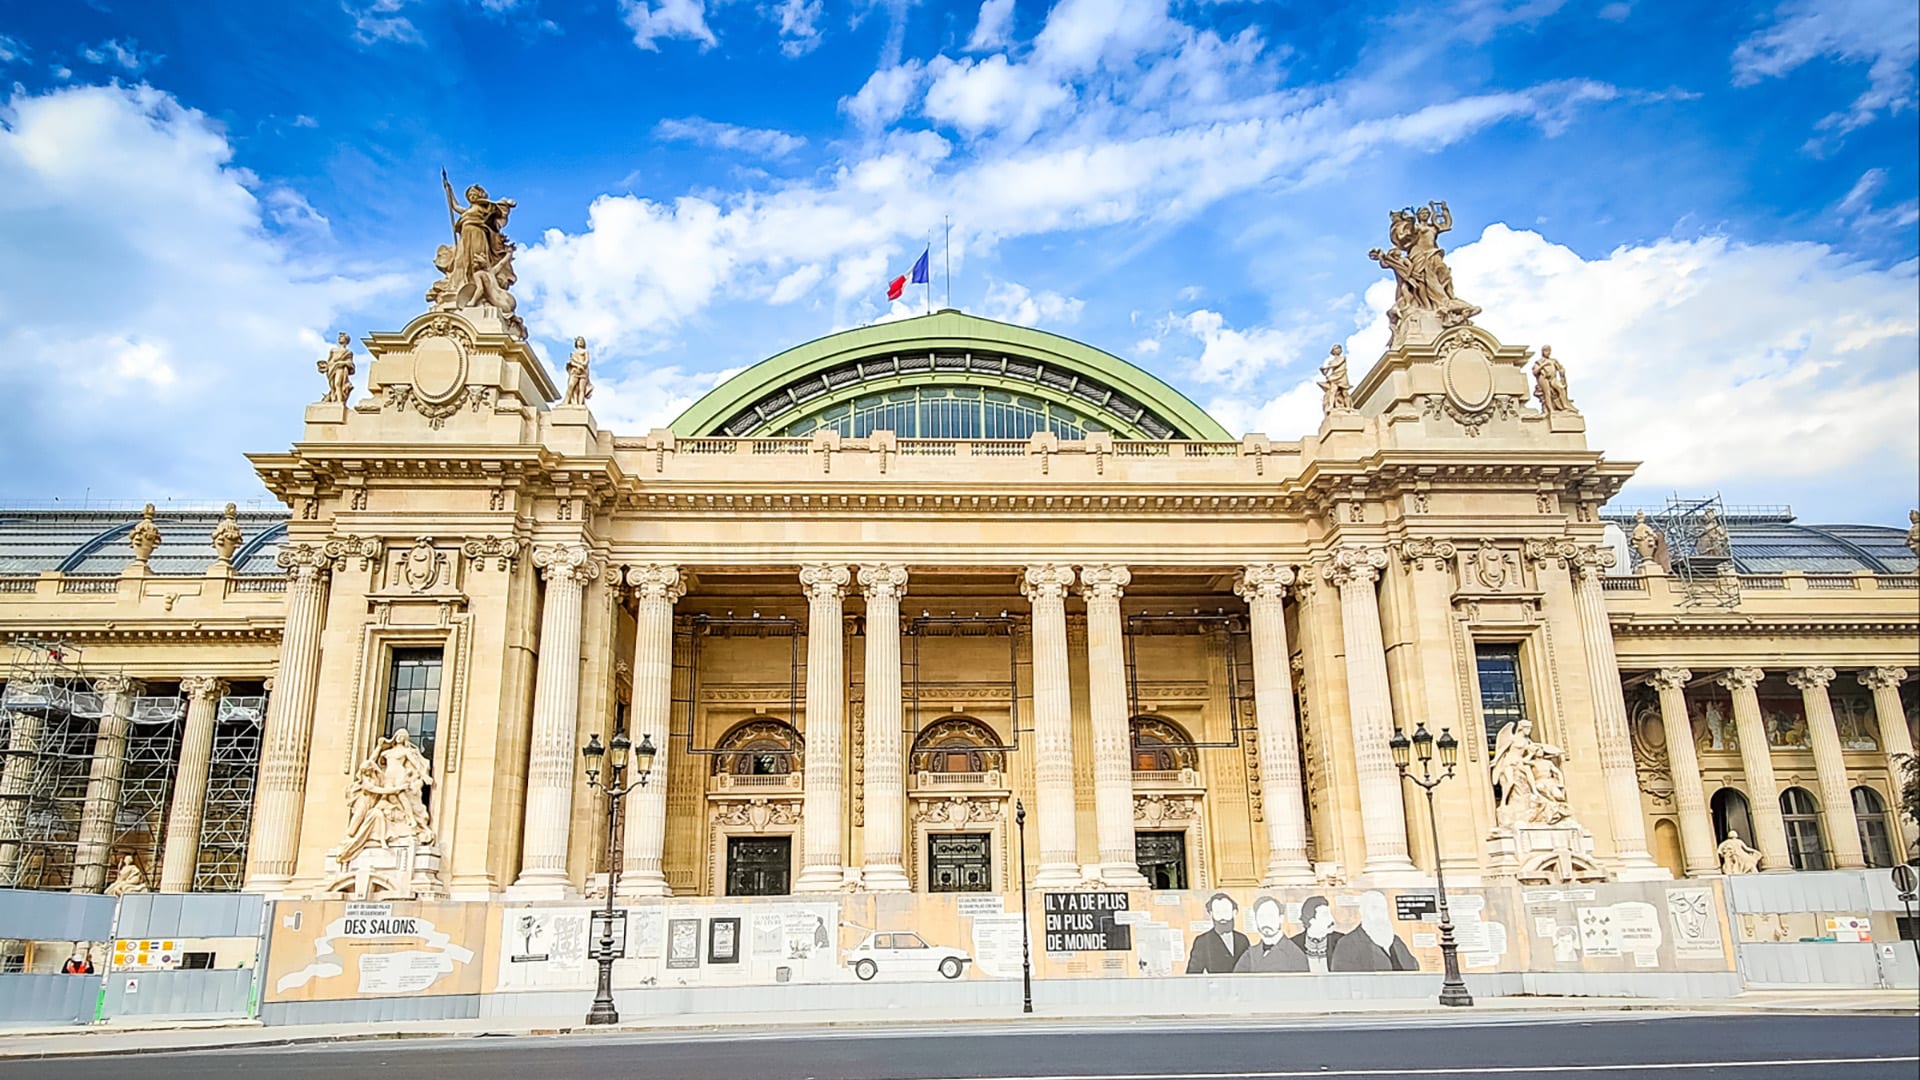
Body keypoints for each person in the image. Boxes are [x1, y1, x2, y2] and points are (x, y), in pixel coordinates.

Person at [1329, 891, 1418, 972]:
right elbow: (1345, 982)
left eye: (1383, 909)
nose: (1380, 914)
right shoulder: (1348, 944)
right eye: (1374, 908)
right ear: (1363, 911)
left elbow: (1413, 968)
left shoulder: (1396, 941)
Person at [1234, 896, 1308, 973]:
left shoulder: (1295, 954)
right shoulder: (1250, 954)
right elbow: (1236, 981)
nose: (1266, 921)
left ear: (1281, 918)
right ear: (1255, 919)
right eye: (1261, 916)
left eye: (1270, 916)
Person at [1185, 892, 1250, 974]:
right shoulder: (1203, 941)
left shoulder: (1242, 939)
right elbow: (1193, 974)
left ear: (1234, 912)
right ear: (1211, 913)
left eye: (1225, 911)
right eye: (1218, 912)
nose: (1222, 917)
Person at [1290, 895, 1343, 974]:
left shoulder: (1341, 941)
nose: (1332, 920)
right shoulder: (1293, 945)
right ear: (1311, 919)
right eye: (1325, 915)